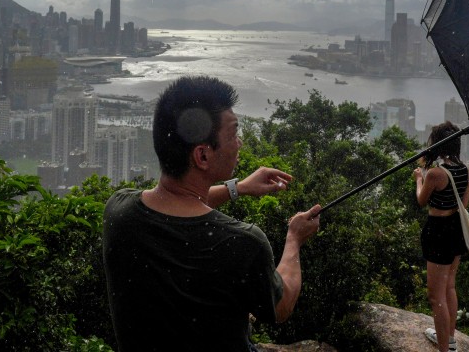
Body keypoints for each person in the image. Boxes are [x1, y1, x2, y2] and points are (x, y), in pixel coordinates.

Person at [103, 75, 321, 352]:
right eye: (233, 134)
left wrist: (238, 188)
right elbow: (281, 306)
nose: (239, 143)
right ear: (202, 156)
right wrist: (294, 239)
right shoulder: (242, 243)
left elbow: (178, 202)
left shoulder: (119, 212)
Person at [414, 121, 469, 352]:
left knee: (435, 295)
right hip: (456, 229)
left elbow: (421, 200)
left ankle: (444, 349)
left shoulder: (436, 174)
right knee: (449, 287)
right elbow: (464, 204)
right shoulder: (465, 169)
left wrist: (420, 177)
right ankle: (449, 339)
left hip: (438, 231)